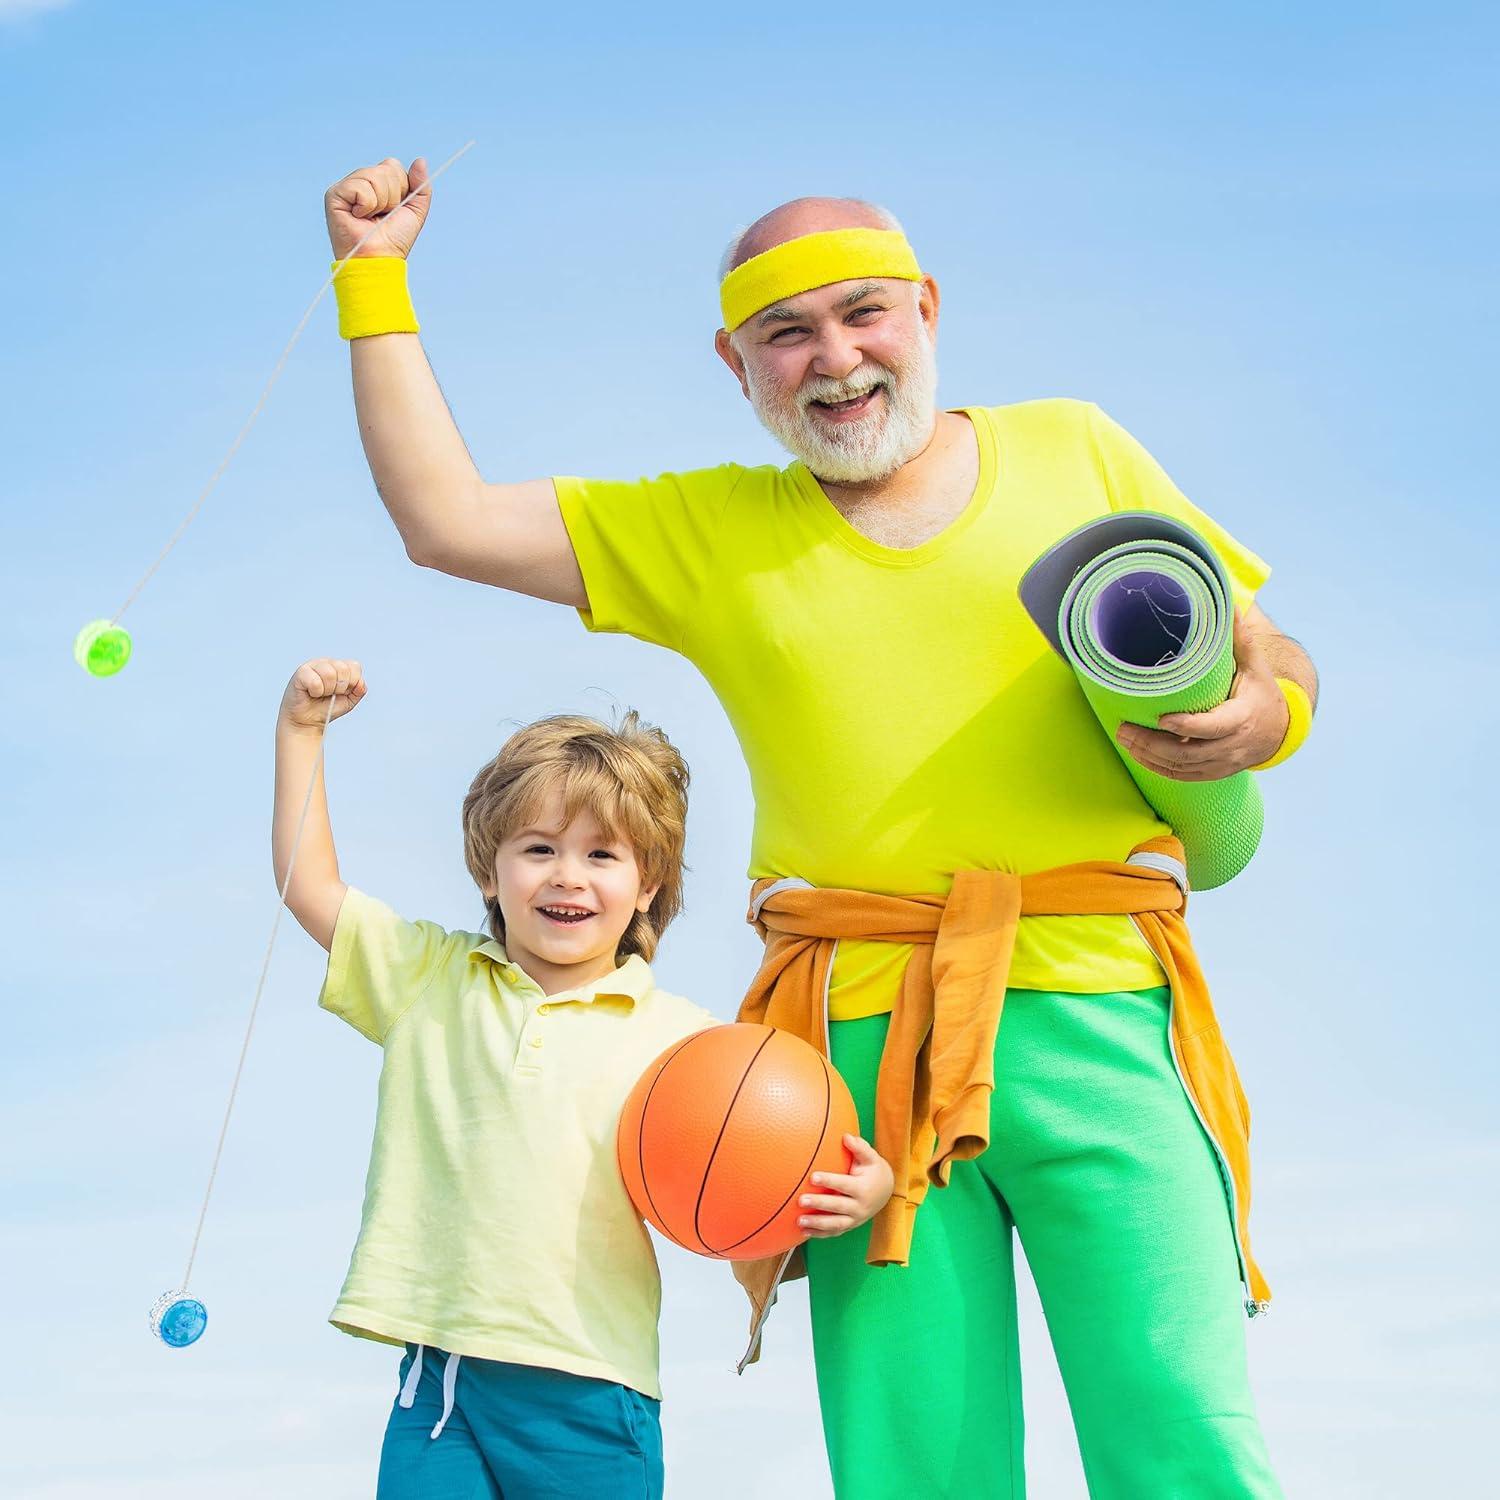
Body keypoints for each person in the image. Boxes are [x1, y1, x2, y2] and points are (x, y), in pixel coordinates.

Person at [321, 158, 1320, 1498]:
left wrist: (1273, 718)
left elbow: (1262, 641)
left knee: (1184, 1426)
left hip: (1106, 1008)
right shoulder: (713, 532)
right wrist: (371, 276)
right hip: (859, 1054)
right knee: (915, 1461)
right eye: (787, 333)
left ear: (927, 308)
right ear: (736, 364)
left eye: (864, 314)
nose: (834, 357)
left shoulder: (1073, 445)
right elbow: (443, 520)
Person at [272, 656, 897, 1499]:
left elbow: (785, 1163)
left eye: (602, 854)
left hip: (595, 1384)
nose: (568, 874)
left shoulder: (693, 1045)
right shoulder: (428, 977)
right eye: (538, 849)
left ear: (649, 888)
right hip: (443, 1378)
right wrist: (301, 732)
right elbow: (306, 884)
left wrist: (866, 1188)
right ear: (491, 874)